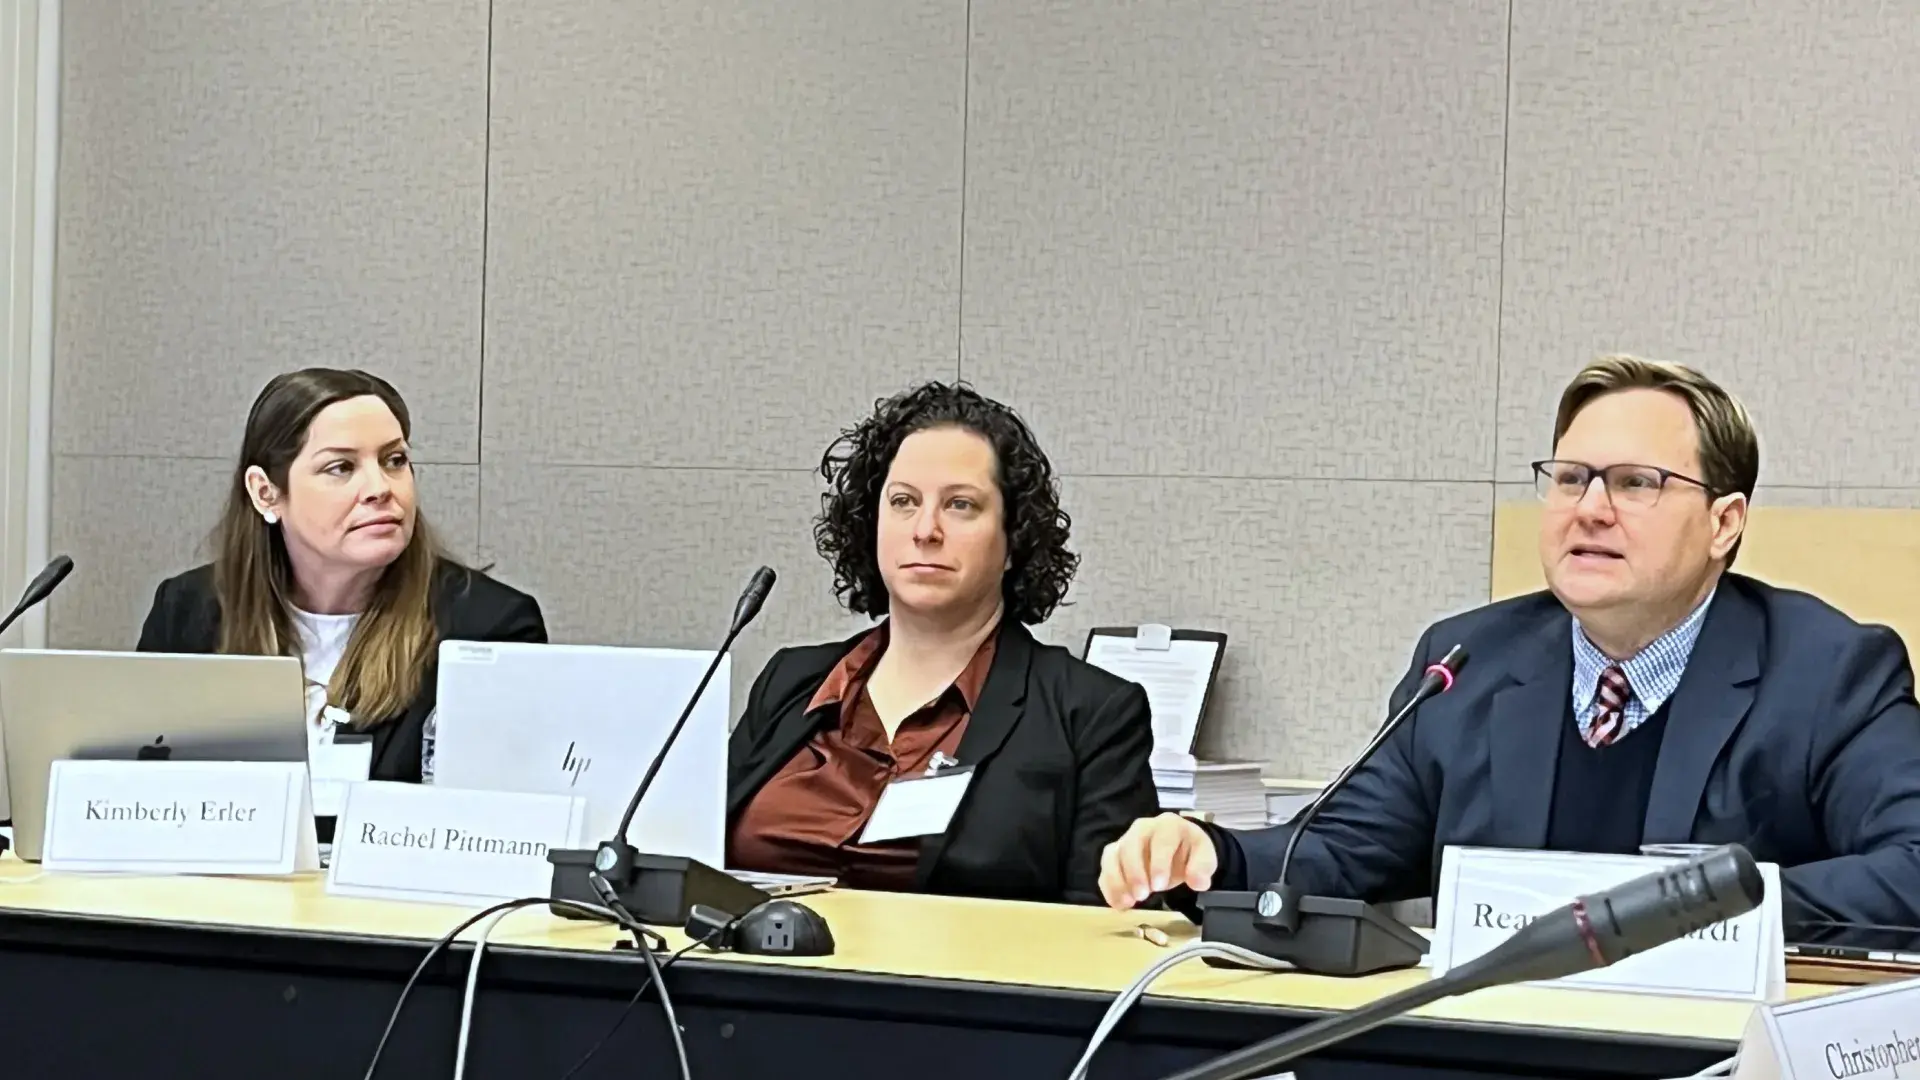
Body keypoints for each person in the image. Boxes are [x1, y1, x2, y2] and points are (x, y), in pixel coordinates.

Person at [1099, 356, 1920, 937]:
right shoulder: (1469, 662)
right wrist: (1207, 853)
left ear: (1724, 522)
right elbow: (1341, 852)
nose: (1590, 508)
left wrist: (1688, 909)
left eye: (1636, 483)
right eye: (1569, 479)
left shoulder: (1825, 671)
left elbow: (1911, 868)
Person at [726, 381, 1158, 904]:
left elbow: (1104, 930)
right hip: (750, 979)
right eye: (904, 501)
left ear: (1012, 539)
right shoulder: (791, 683)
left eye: (959, 505)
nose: (925, 529)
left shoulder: (1090, 713)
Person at [137, 368, 546, 783]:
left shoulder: (489, 627)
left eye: (394, 461)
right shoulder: (188, 611)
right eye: (341, 467)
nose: (380, 488)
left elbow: (494, 822)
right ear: (266, 492)